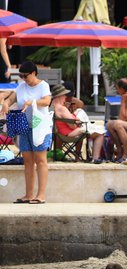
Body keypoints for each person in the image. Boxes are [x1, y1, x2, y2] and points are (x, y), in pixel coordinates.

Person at [4, 61, 52, 204]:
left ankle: (41, 195)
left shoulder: (43, 86)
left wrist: (32, 102)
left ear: (34, 73)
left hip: (40, 127)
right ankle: (29, 194)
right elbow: (12, 97)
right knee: (28, 161)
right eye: (21, 76)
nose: (23, 79)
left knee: (41, 160)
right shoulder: (21, 86)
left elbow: (47, 101)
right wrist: (6, 103)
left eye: (26, 76)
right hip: (25, 126)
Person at [51, 84, 105, 162]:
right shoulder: (62, 108)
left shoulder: (53, 106)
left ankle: (89, 157)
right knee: (100, 133)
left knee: (92, 128)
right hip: (70, 133)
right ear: (60, 96)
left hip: (61, 133)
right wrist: (77, 120)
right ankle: (95, 158)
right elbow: (72, 125)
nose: (65, 97)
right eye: (64, 95)